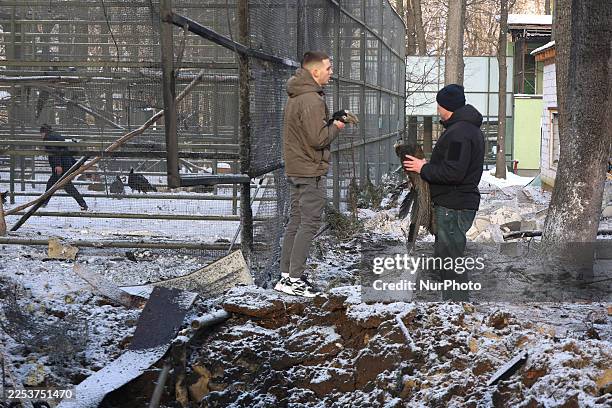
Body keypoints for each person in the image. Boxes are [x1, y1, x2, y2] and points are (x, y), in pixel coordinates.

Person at [402, 84, 485, 301]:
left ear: (445, 107)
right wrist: (429, 165)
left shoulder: (459, 133)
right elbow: (455, 165)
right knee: (446, 257)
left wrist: (423, 169)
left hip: (454, 205)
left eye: (438, 105)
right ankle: (453, 304)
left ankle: (457, 307)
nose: (437, 110)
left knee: (450, 259)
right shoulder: (464, 129)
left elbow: (454, 173)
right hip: (455, 202)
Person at [274, 51, 346, 297]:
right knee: (309, 222)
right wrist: (336, 127)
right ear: (315, 71)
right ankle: (295, 279)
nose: (331, 71)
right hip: (309, 170)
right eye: (328, 67)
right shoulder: (311, 99)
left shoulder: (297, 94)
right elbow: (318, 139)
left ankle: (286, 276)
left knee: (296, 221)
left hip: (296, 167)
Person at [40, 124, 88, 210]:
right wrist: (75, 163)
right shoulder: (56, 135)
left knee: (66, 186)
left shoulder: (49, 138)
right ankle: (43, 203)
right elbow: (65, 151)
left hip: (61, 165)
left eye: (41, 133)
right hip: (66, 163)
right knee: (53, 184)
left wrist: (58, 165)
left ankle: (83, 203)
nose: (40, 136)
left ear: (44, 132)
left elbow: (55, 152)